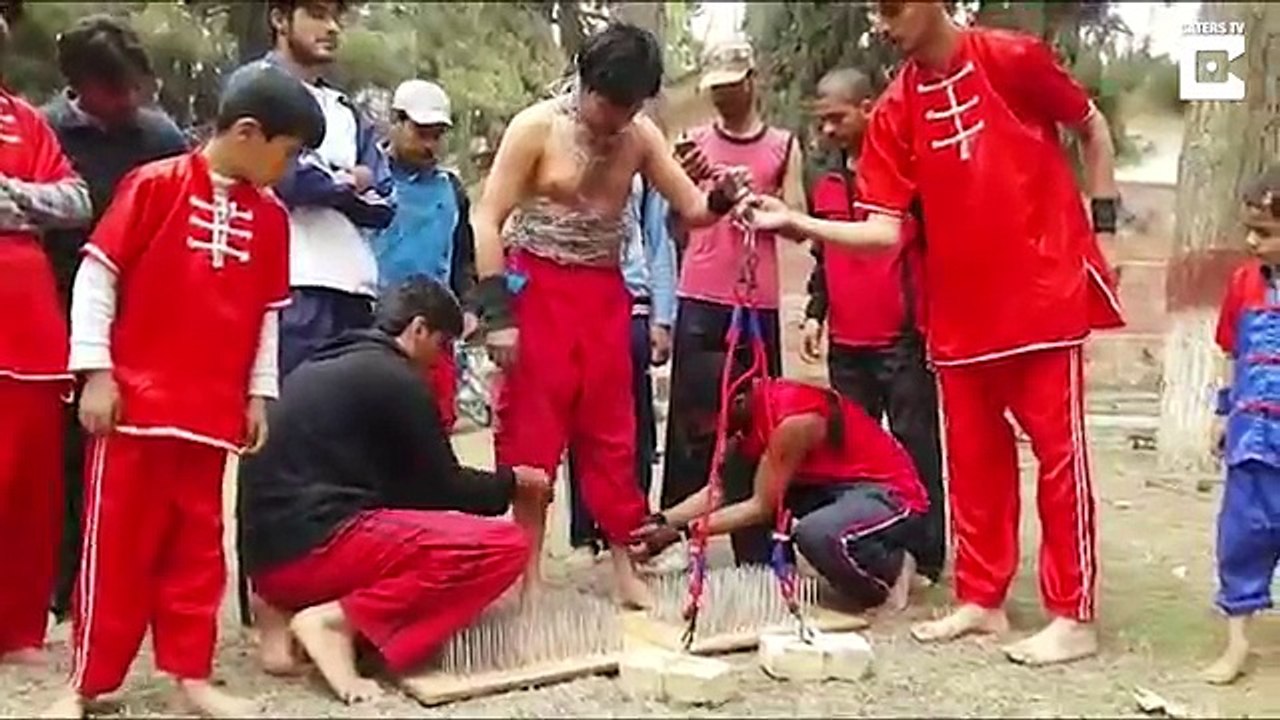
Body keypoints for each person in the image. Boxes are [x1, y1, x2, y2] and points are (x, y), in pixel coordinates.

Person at [740, 0, 1123, 666]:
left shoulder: (1011, 58)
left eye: (894, 7)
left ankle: (1074, 614)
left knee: (1060, 458)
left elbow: (1090, 125)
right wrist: (800, 226)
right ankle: (982, 599)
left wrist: (1104, 230)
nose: (884, 24)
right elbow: (884, 230)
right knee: (975, 462)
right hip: (957, 315)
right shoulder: (894, 109)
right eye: (876, 12)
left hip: (1040, 298)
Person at [44, 64, 325, 719]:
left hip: (208, 417)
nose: (288, 167)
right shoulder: (154, 185)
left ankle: (191, 675)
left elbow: (265, 317)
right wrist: (97, 371)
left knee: (198, 554)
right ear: (250, 133)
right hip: (136, 412)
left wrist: (258, 395)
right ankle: (86, 683)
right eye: (287, 152)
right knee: (114, 550)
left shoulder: (272, 220)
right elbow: (98, 278)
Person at [470, 22, 751, 608]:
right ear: (585, 80)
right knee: (532, 431)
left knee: (613, 433)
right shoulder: (536, 127)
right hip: (537, 285)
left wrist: (723, 194)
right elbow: (486, 217)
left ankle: (626, 568)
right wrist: (497, 314)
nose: (613, 118)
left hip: (603, 291)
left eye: (627, 107)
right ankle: (527, 580)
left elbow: (695, 211)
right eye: (607, 102)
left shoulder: (640, 136)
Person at [238, 277, 547, 704]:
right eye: (442, 346)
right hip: (313, 549)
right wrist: (514, 482)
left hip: (270, 566)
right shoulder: (396, 379)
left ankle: (285, 619)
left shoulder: (325, 363)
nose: (441, 363)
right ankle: (337, 623)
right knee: (501, 545)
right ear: (418, 330)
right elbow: (442, 489)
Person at [42, 13, 190, 625]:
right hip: (53, 307)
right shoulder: (47, 131)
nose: (131, 100)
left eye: (138, 86)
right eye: (118, 90)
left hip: (140, 313)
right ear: (82, 85)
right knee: (62, 454)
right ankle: (64, 581)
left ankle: (135, 577)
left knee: (134, 451)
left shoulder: (158, 135)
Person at [660, 40, 806, 565]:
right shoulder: (692, 145)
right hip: (701, 293)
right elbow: (677, 225)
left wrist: (754, 202)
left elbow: (797, 224)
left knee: (758, 418)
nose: (722, 97)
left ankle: (756, 536)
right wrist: (705, 194)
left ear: (752, 81)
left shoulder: (783, 146)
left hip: (757, 299)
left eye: (731, 86)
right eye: (714, 89)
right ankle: (673, 534)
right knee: (691, 421)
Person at [630, 360, 929, 613]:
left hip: (889, 496)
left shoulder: (792, 420)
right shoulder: (744, 421)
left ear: (735, 401)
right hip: (829, 490)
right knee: (740, 476)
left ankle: (892, 570)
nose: (702, 429)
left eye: (705, 420)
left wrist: (683, 532)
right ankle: (772, 576)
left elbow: (761, 507)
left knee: (816, 534)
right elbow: (719, 491)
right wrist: (662, 521)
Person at [800, 67, 946, 583]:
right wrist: (817, 311)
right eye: (821, 123)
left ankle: (927, 557)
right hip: (847, 342)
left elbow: (935, 250)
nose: (827, 132)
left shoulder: (909, 175)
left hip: (903, 340)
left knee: (915, 449)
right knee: (854, 457)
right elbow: (824, 252)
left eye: (836, 119)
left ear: (868, 109)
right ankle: (866, 546)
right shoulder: (823, 176)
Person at [0, 0, 93, 667]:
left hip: (31, 330)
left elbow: (76, 200)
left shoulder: (23, 117)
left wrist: (12, 197)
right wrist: (27, 199)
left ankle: (17, 628)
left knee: (30, 485)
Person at [235, 0, 396, 377]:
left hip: (352, 290)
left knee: (348, 422)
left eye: (337, 18)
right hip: (286, 286)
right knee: (286, 417)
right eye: (318, 15)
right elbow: (287, 177)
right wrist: (349, 179)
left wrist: (328, 176)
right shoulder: (255, 85)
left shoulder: (345, 109)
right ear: (279, 19)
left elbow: (385, 200)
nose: (333, 28)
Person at [566, 172, 677, 554]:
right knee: (580, 419)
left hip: (632, 302)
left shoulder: (643, 159)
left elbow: (659, 241)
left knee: (634, 425)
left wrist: (662, 317)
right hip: (576, 297)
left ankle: (633, 526)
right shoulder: (560, 148)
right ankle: (585, 530)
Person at [1201, 166, 1280, 686]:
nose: (1252, 241)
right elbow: (1231, 350)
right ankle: (1237, 646)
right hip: (1253, 440)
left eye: (1266, 232)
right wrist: (1222, 411)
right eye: (1249, 229)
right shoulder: (1242, 283)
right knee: (1242, 539)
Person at [372, 79, 476, 431]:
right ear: (395, 122)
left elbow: (464, 257)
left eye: (437, 135)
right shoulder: (369, 181)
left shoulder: (452, 189)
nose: (430, 144)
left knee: (433, 429)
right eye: (421, 132)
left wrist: (470, 307)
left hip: (435, 333)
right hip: (376, 328)